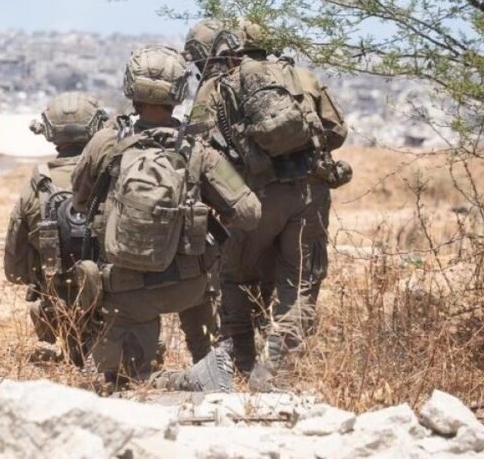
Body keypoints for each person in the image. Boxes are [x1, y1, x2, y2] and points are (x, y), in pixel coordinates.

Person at [71, 45, 261, 389]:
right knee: (207, 322)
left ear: (131, 88)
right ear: (178, 92)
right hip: (190, 285)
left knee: (126, 381)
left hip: (126, 288)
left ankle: (176, 381)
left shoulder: (104, 143)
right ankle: (207, 367)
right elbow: (249, 213)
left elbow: (80, 201)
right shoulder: (199, 150)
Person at [207, 20, 351, 385]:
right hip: (308, 195)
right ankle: (273, 370)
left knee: (235, 279)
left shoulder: (221, 86)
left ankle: (239, 362)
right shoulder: (303, 78)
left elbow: (205, 151)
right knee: (299, 284)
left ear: (233, 51)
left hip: (253, 197)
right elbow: (337, 132)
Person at [3, 91, 109, 366]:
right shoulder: (113, 177)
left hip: (61, 309)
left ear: (49, 131)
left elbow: (14, 270)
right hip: (118, 306)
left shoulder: (35, 188)